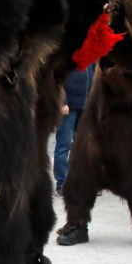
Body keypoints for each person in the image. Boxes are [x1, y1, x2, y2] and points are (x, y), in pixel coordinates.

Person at [54, 64, 95, 195]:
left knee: (84, 147)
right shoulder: (68, 52)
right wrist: (63, 101)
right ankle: (62, 183)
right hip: (69, 109)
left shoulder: (91, 56)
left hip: (85, 108)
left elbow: (93, 77)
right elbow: (57, 79)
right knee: (64, 146)